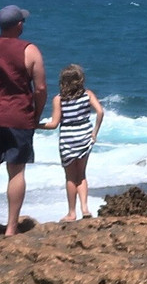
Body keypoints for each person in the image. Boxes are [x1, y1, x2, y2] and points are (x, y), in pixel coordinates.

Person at [0, 5, 47, 236]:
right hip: (18, 116)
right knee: (16, 172)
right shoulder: (29, 50)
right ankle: (11, 228)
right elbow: (40, 89)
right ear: (19, 25)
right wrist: (36, 115)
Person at [39, 64, 105, 221]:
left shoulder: (58, 99)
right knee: (81, 175)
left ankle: (71, 213)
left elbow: (54, 124)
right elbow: (100, 112)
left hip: (68, 140)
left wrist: (35, 125)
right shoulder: (87, 94)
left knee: (70, 177)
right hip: (84, 137)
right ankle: (85, 209)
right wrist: (94, 133)